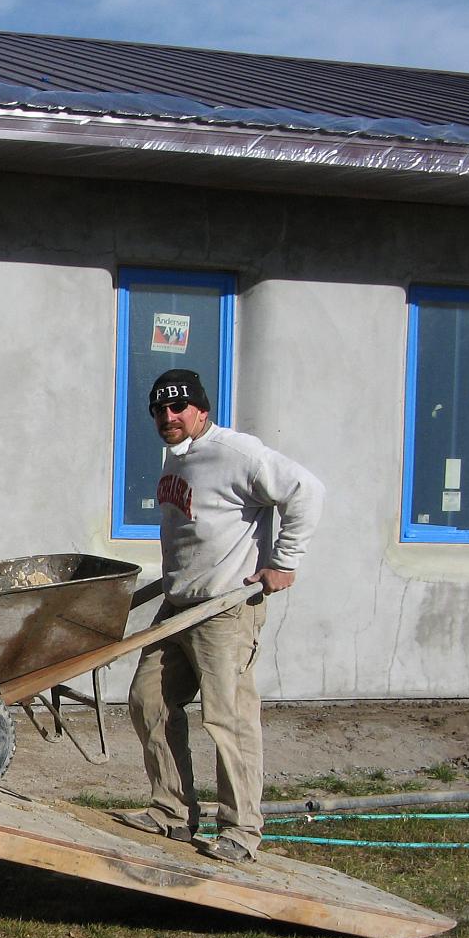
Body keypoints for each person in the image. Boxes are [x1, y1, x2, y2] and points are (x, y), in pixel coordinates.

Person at [116, 370, 324, 863]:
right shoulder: (177, 458)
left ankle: (242, 830)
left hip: (225, 610)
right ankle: (172, 812)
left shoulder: (239, 453)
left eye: (179, 408)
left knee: (228, 719)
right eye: (160, 410)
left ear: (201, 410)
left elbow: (307, 490)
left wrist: (283, 561)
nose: (169, 417)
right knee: (149, 700)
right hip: (180, 605)